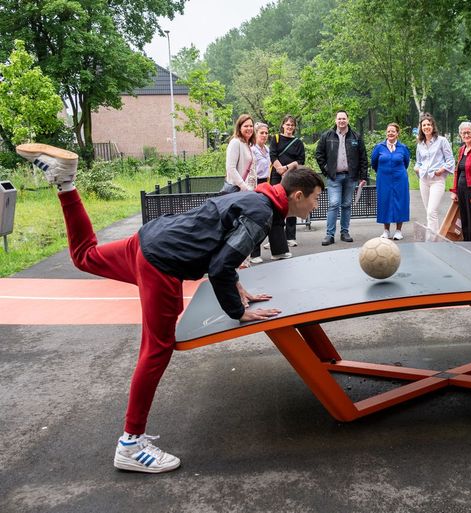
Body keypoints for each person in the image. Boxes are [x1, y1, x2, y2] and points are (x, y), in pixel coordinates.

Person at [16, 142, 324, 474]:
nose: (316, 204)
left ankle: (66, 184)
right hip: (163, 263)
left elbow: (218, 237)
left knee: (84, 257)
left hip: (149, 239)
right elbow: (220, 267)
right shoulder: (262, 214)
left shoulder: (256, 197)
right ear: (297, 196)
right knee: (157, 349)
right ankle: (130, 444)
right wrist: (238, 312)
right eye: (315, 198)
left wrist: (239, 287)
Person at [315, 110, 368, 246]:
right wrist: (327, 170)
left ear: (348, 120)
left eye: (344, 118)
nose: (341, 121)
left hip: (351, 177)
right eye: (339, 119)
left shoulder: (356, 136)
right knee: (334, 204)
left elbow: (363, 157)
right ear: (335, 120)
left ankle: (344, 232)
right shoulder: (327, 136)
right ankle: (329, 235)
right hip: (334, 177)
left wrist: (363, 176)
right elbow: (319, 154)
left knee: (346, 205)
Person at [249, 122, 292, 263]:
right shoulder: (251, 149)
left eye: (266, 133)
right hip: (254, 185)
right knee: (257, 218)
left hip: (268, 184)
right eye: (261, 133)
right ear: (255, 134)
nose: (264, 135)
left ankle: (278, 251)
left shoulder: (267, 150)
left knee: (276, 216)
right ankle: (254, 254)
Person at [268, 114, 305, 250]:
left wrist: (287, 169)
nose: (289, 127)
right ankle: (275, 237)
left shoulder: (298, 143)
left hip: (292, 175)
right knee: (276, 205)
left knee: (291, 204)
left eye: (292, 125)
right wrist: (280, 170)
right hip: (277, 175)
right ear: (283, 125)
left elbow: (301, 160)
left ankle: (290, 237)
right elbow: (272, 155)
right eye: (287, 124)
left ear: (294, 127)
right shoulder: (276, 139)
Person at [414, 113, 454, 237]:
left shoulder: (442, 141)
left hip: (437, 180)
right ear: (421, 127)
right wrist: (416, 168)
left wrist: (442, 170)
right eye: (424, 125)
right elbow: (419, 161)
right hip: (424, 180)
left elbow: (450, 160)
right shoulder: (420, 143)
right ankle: (434, 238)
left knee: (432, 211)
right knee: (429, 212)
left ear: (433, 126)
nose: (426, 127)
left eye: (429, 124)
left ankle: (432, 240)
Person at [370, 122, 411, 240]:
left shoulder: (403, 148)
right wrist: (384, 172)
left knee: (400, 202)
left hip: (400, 179)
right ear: (386, 133)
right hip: (384, 179)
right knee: (385, 202)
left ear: (397, 133)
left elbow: (406, 163)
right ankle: (386, 231)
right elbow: (374, 163)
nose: (390, 133)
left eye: (393, 131)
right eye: (388, 131)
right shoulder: (379, 147)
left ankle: (398, 231)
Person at [222, 114, 256, 193]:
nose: (249, 128)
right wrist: (243, 187)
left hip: (249, 191)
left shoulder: (248, 145)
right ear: (239, 128)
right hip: (239, 191)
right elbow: (230, 168)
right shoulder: (235, 142)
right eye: (246, 126)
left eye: (251, 126)